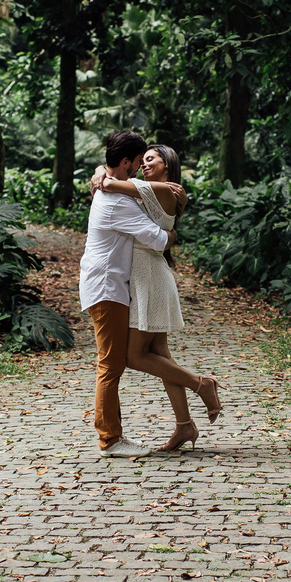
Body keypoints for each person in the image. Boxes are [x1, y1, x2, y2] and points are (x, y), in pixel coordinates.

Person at [93, 144, 223, 452]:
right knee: (161, 355)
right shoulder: (154, 190)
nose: (144, 164)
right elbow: (112, 179)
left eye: (151, 159)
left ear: (168, 165)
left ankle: (202, 384)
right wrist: (100, 171)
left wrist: (101, 174)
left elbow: (110, 183)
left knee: (134, 356)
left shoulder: (163, 190)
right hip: (149, 273)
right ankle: (184, 425)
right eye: (142, 160)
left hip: (147, 275)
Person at [79, 131, 177, 458]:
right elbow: (157, 240)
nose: (138, 169)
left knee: (113, 363)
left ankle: (113, 435)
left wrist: (102, 173)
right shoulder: (117, 201)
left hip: (108, 285)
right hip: (106, 287)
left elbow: (111, 178)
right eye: (136, 162)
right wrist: (172, 235)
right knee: (110, 365)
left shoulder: (110, 188)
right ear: (124, 162)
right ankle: (109, 439)